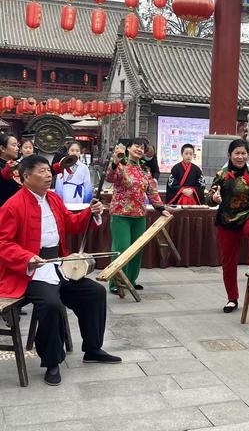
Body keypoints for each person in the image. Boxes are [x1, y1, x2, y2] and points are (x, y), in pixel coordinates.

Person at [0, 155, 121, 386]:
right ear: (26, 177)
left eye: (49, 171)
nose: (49, 175)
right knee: (51, 304)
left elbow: (71, 223)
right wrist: (26, 257)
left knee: (94, 293)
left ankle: (93, 349)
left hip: (58, 265)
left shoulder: (54, 199)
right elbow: (3, 243)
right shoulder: (12, 205)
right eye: (43, 171)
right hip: (31, 271)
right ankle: (52, 361)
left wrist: (90, 212)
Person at [206, 139, 249, 313]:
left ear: (248, 154)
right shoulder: (222, 174)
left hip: (248, 215)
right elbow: (209, 199)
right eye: (237, 153)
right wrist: (214, 199)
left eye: (243, 153)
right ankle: (232, 299)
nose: (240, 157)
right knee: (228, 262)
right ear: (230, 155)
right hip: (227, 220)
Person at [106, 138, 170, 294]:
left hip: (140, 214)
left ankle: (131, 280)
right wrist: (114, 162)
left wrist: (161, 208)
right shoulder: (120, 165)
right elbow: (110, 177)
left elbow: (152, 192)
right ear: (128, 148)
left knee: (136, 249)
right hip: (121, 213)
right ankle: (116, 282)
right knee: (122, 248)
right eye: (136, 146)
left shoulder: (145, 170)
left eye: (142, 148)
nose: (139, 149)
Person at [0, 133, 21, 206]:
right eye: (14, 145)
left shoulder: (17, 165)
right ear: (2, 148)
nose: (17, 148)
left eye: (17, 145)